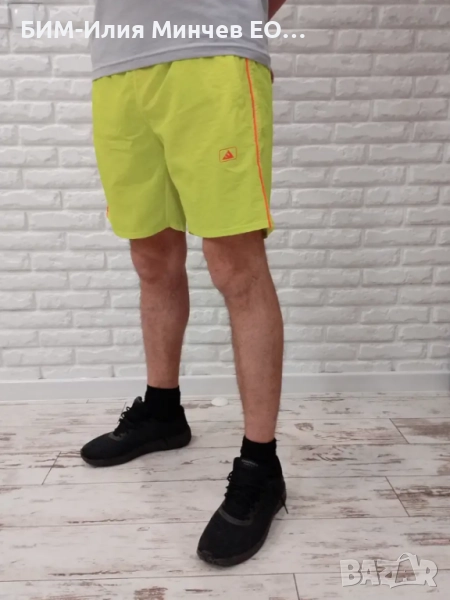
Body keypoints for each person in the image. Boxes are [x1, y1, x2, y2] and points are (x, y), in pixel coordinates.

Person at [81, 0, 288, 567]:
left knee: (235, 265)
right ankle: (162, 411)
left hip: (213, 56)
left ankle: (261, 465)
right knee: (151, 256)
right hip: (118, 65)